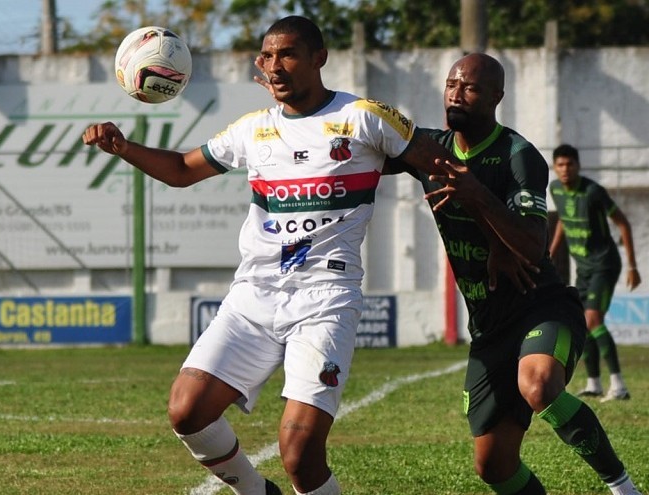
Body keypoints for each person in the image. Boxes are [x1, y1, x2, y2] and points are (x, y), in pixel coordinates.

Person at [83, 15, 463, 495]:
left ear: (319, 58)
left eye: (287, 54)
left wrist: (496, 228)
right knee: (187, 409)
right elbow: (181, 170)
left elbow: (444, 163)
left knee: (299, 453)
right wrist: (123, 147)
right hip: (254, 296)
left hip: (326, 298)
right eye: (266, 56)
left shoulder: (363, 117)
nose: (274, 65)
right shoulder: (253, 129)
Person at [386, 53, 643, 495]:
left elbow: (531, 245)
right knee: (494, 466)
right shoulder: (431, 151)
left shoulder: (518, 156)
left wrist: (478, 196)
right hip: (489, 326)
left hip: (540, 305)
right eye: (451, 84)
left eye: (470, 88)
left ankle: (623, 488)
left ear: (496, 97)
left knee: (538, 385)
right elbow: (362, 151)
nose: (456, 94)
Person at [548, 144, 641, 402]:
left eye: (570, 164)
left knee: (593, 320)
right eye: (560, 165)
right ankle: (594, 384)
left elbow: (623, 223)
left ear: (578, 166)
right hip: (584, 267)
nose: (565, 169)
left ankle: (619, 386)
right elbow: (563, 221)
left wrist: (633, 266)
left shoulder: (593, 192)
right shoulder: (555, 189)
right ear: (554, 168)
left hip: (604, 264)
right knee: (581, 322)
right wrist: (551, 253)